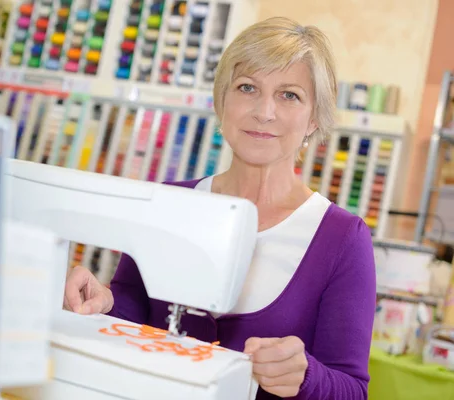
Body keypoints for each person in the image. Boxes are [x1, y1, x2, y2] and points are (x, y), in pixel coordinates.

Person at [63, 16, 376, 400]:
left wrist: (307, 376)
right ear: (222, 101)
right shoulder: (168, 203)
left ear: (313, 119)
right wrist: (104, 301)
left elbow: (352, 390)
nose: (265, 111)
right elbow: (133, 307)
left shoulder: (342, 238)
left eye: (289, 95)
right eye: (247, 88)